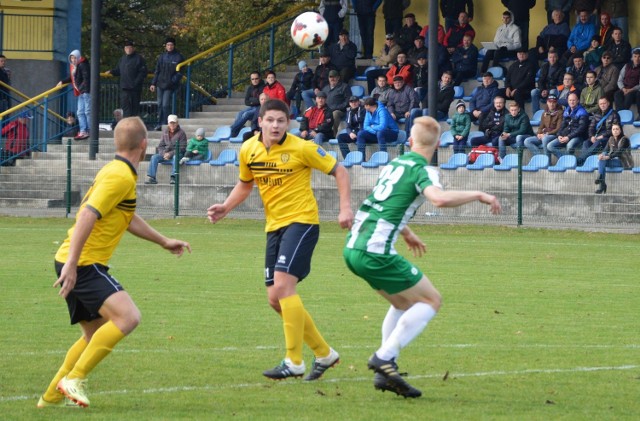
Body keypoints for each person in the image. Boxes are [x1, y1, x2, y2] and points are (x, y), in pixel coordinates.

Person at [36, 117, 191, 409]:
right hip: (82, 263)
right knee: (128, 317)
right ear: (144, 145)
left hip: (76, 261)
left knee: (94, 334)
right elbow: (86, 215)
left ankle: (51, 397)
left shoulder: (117, 171)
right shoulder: (120, 176)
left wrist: (163, 241)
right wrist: (72, 264)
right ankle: (73, 379)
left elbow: (126, 216)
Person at [344, 115, 501, 398]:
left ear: (410, 140)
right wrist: (479, 194)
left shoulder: (395, 163)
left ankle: (386, 368)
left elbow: (383, 204)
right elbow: (438, 199)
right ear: (439, 143)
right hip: (376, 251)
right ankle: (384, 357)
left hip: (354, 247)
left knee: (404, 302)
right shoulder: (423, 170)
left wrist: (406, 233)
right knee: (431, 300)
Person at [207, 99, 353, 381]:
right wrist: (226, 206)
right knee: (275, 299)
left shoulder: (302, 147)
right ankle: (324, 353)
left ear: (289, 123)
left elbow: (340, 171)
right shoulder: (248, 149)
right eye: (270, 120)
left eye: (281, 121)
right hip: (274, 227)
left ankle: (294, 361)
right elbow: (245, 183)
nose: (275, 125)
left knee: (285, 287)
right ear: (260, 121)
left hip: (302, 222)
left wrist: (345, 207)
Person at [105, 40, 148, 118]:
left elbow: (143, 72)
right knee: (126, 109)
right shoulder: (122, 59)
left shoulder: (139, 59)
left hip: (135, 89)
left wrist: (136, 83)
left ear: (133, 48)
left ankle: (134, 127)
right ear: (124, 49)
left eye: (130, 47)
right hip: (124, 88)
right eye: (127, 48)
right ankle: (127, 127)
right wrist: (111, 71)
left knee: (134, 109)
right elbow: (118, 70)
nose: (128, 49)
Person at [149, 37, 184, 131]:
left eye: (171, 45)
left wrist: (172, 81)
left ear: (174, 45)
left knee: (165, 105)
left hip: (170, 85)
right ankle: (159, 123)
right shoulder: (162, 56)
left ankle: (165, 123)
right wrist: (153, 83)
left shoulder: (178, 57)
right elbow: (157, 70)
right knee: (159, 104)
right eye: (168, 45)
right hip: (160, 84)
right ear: (166, 46)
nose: (170, 46)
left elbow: (180, 73)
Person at [57, 50, 90, 140]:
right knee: (80, 112)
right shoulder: (73, 66)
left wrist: (82, 89)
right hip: (80, 92)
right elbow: (72, 78)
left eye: (75, 58)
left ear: (78, 57)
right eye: (72, 58)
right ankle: (83, 130)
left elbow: (86, 78)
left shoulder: (83, 65)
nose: (73, 60)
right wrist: (62, 81)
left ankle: (90, 130)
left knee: (87, 111)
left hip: (85, 91)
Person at [145, 114, 187, 185]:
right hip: (165, 154)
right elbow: (160, 146)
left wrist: (170, 154)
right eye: (171, 123)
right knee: (154, 157)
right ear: (168, 123)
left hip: (177, 154)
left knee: (175, 157)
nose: (172, 124)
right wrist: (164, 154)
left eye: (174, 123)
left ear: (177, 123)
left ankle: (173, 177)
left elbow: (182, 148)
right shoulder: (165, 132)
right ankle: (152, 178)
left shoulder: (182, 133)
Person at [546, 92, 590, 159]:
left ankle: (569, 161)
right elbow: (562, 125)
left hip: (578, 136)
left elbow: (581, 129)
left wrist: (568, 137)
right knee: (550, 146)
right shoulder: (567, 111)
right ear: (568, 101)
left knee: (569, 145)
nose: (572, 102)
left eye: (573, 100)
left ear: (578, 101)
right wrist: (559, 135)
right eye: (570, 100)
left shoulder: (582, 112)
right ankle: (566, 159)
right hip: (566, 135)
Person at [579, 96, 619, 164]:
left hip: (608, 137)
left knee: (598, 142)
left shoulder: (614, 114)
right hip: (597, 136)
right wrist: (591, 136)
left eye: (604, 103)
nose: (602, 105)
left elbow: (616, 130)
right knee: (586, 142)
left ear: (608, 103)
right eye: (601, 104)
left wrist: (603, 136)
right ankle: (586, 162)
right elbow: (591, 127)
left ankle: (580, 160)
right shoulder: (597, 114)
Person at [595, 122, 633, 194]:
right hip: (614, 161)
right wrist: (601, 155)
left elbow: (619, 152)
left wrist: (608, 157)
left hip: (624, 162)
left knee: (603, 159)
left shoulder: (625, 139)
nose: (615, 131)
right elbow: (605, 150)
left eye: (617, 129)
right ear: (611, 131)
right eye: (613, 129)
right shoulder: (611, 138)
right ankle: (601, 182)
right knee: (602, 159)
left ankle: (601, 183)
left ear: (620, 130)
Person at [231, 71, 265, 138]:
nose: (254, 80)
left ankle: (232, 129)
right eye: (252, 79)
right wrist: (255, 100)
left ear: (260, 78)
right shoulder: (250, 88)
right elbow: (246, 101)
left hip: (259, 107)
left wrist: (252, 100)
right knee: (240, 113)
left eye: (256, 78)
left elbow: (261, 100)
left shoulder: (263, 87)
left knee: (246, 114)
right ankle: (236, 130)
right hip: (251, 107)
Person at [322, 69, 350, 136]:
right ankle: (322, 133)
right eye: (330, 77)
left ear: (338, 78)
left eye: (334, 77)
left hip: (340, 111)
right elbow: (321, 100)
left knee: (335, 113)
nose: (332, 79)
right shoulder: (325, 88)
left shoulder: (344, 86)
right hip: (327, 110)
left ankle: (333, 135)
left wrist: (336, 108)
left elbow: (348, 101)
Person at [613, 49, 640, 117]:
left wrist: (630, 90)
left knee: (629, 96)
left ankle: (623, 116)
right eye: (635, 56)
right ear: (632, 57)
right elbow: (619, 80)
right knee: (617, 94)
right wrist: (623, 88)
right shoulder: (626, 66)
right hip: (625, 88)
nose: (637, 59)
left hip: (635, 90)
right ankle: (619, 114)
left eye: (639, 57)